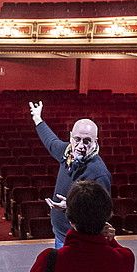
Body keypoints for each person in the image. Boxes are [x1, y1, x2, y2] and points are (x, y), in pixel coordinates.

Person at [28, 101, 112, 248]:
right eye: (77, 139)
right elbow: (51, 141)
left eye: (87, 141)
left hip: (79, 241)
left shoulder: (99, 173)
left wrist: (71, 207)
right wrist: (37, 119)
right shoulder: (67, 152)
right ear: (71, 136)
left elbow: (102, 213)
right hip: (60, 234)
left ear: (96, 142)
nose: (80, 146)